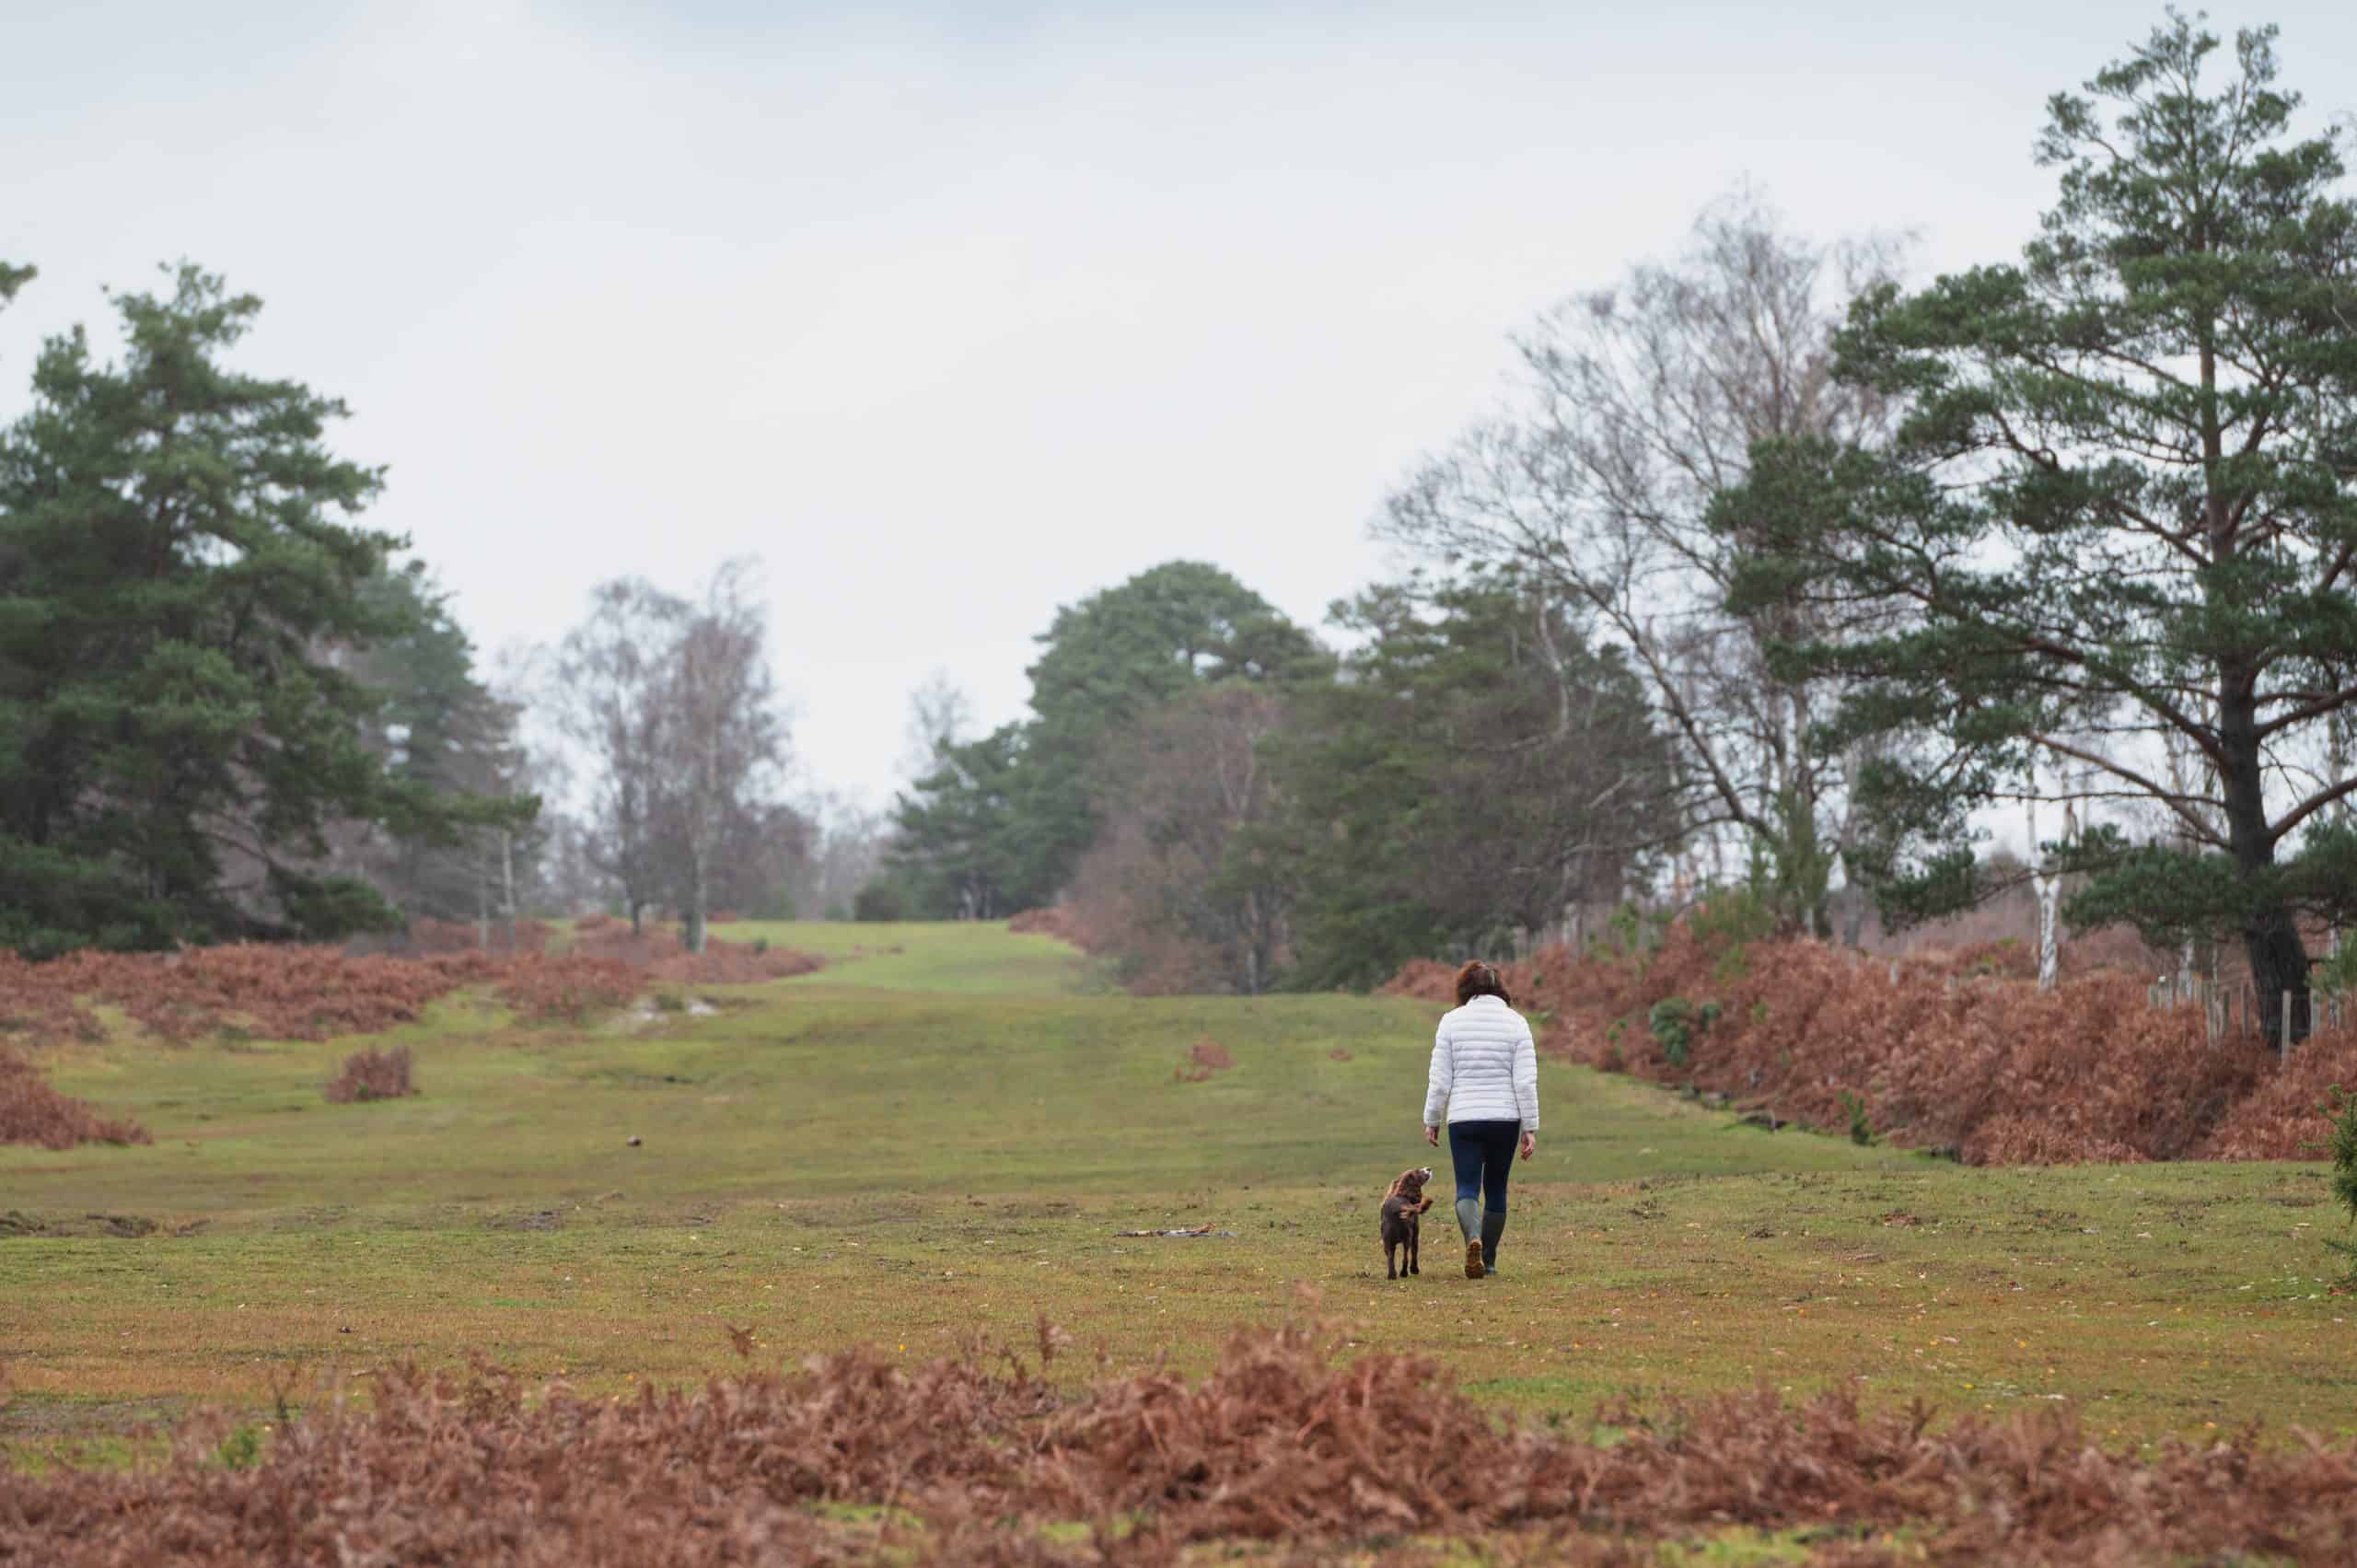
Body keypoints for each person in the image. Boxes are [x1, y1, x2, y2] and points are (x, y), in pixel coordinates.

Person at [1422, 958, 1538, 1278]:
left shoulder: (1451, 1022)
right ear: (1500, 988)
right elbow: (1525, 1082)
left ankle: (1472, 1238)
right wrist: (1530, 1127)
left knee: (1468, 1187)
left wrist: (1432, 1118)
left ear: (1464, 988)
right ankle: (1487, 1259)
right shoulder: (1517, 1023)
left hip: (1465, 1119)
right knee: (1497, 1188)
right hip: (1505, 1119)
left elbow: (1440, 1079)